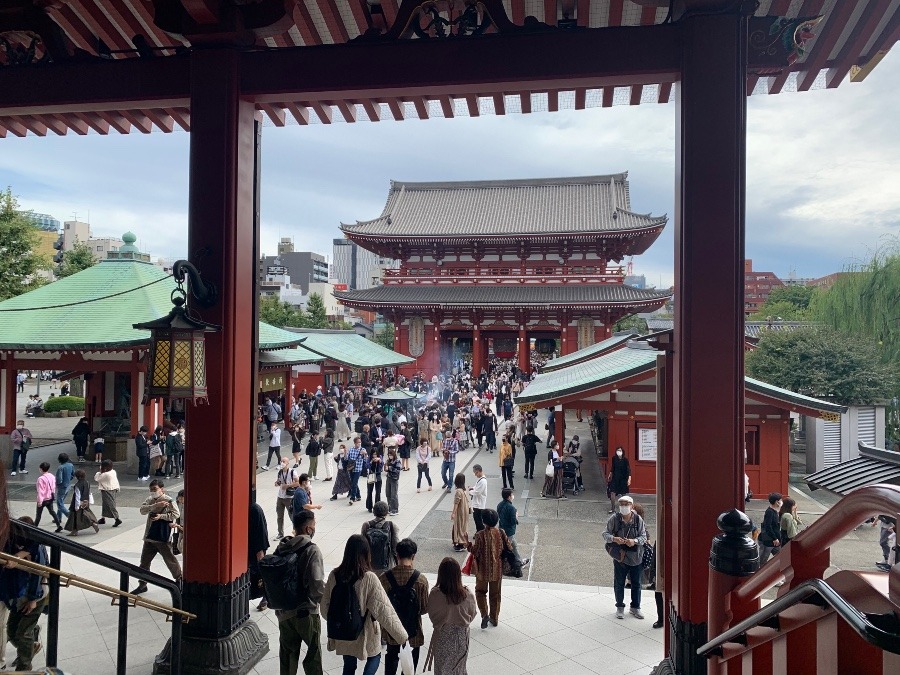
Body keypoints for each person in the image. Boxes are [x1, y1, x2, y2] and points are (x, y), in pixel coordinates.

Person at [320, 534, 408, 675]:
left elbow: (325, 609)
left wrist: (341, 619)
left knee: (348, 663)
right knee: (375, 657)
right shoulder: (369, 578)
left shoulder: (334, 575)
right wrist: (402, 636)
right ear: (366, 553)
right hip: (365, 632)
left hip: (343, 631)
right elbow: (385, 610)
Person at [276, 510, 326, 675]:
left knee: (287, 655)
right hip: (306, 612)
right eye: (314, 525)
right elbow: (317, 585)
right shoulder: (312, 550)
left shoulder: (282, 548)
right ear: (308, 529)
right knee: (313, 654)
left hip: (284, 613)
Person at [0, 518, 49, 671]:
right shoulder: (13, 544)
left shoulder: (37, 547)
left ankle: (24, 666)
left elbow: (38, 573)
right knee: (12, 631)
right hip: (19, 594)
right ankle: (32, 641)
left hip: (36, 595)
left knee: (22, 634)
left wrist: (33, 599)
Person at [380, 538, 429, 675]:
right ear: (413, 556)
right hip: (413, 632)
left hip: (392, 630)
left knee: (391, 658)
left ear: (397, 555)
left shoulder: (384, 578)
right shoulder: (421, 580)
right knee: (410, 664)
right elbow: (424, 608)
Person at [426, 557, 478, 675]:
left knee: (442, 669)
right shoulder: (467, 594)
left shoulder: (435, 594)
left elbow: (432, 615)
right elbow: (472, 613)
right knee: (459, 669)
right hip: (461, 637)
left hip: (442, 636)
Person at [132, 480, 182, 594]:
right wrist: (155, 505)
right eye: (151, 490)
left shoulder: (169, 500)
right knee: (144, 562)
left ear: (162, 489)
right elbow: (142, 510)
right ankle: (142, 584)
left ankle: (179, 580)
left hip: (162, 537)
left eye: (155, 489)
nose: (153, 492)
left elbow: (176, 514)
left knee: (170, 560)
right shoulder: (149, 500)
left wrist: (161, 516)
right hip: (149, 536)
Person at [602, 495, 647, 620]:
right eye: (621, 505)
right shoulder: (614, 519)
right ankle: (620, 607)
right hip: (620, 556)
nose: (624, 507)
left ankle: (635, 607)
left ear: (632, 506)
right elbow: (605, 534)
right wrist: (614, 539)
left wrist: (634, 541)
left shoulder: (638, 520)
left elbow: (644, 536)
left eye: (626, 504)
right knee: (619, 582)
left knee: (637, 583)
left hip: (636, 556)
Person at [468, 508, 512, 628]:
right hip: (497, 570)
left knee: (480, 592)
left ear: (483, 521)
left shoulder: (480, 535)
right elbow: (509, 547)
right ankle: (494, 618)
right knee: (496, 594)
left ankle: (484, 614)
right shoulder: (501, 532)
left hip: (482, 570)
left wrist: (468, 545)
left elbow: (475, 552)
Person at [361, 501, 398, 575]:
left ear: (374, 512)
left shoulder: (366, 525)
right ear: (387, 513)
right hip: (386, 565)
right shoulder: (391, 525)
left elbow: (362, 545)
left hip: (370, 564)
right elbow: (395, 546)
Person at [497, 488, 529, 568]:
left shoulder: (500, 505)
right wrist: (516, 516)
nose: (513, 496)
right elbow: (513, 521)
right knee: (507, 547)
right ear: (509, 497)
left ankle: (519, 561)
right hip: (509, 531)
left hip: (501, 528)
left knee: (513, 545)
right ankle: (514, 563)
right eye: (512, 494)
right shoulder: (511, 508)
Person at [63, 468, 100, 536]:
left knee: (75, 517)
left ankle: (75, 530)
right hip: (86, 501)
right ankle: (92, 523)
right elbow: (89, 492)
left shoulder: (77, 485)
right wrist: (90, 501)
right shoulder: (87, 482)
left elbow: (77, 496)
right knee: (85, 514)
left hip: (79, 502)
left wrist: (77, 506)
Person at [250, 501, 271, 611]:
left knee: (259, 574)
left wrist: (260, 553)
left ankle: (266, 596)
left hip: (255, 549)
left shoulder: (254, 510)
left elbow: (260, 533)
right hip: (247, 549)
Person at [275, 457, 301, 539]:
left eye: (284, 461)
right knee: (279, 516)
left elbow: (298, 483)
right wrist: (277, 483)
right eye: (281, 461)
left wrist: (288, 485)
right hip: (280, 496)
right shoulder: (280, 472)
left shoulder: (292, 472)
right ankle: (280, 533)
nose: (282, 463)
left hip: (289, 497)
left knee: (291, 515)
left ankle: (296, 532)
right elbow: (279, 481)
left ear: (287, 463)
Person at [94, 459, 122, 527]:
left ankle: (117, 518)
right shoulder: (113, 471)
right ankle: (103, 518)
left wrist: (99, 472)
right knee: (105, 504)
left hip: (107, 490)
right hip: (113, 489)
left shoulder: (106, 474)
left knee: (110, 504)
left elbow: (96, 478)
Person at [34, 462, 61, 530]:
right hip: (50, 497)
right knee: (52, 511)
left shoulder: (40, 479)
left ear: (41, 469)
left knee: (38, 515)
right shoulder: (52, 476)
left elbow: (40, 491)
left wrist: (40, 501)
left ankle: (35, 527)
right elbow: (53, 486)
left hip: (43, 499)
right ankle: (58, 525)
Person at [758, 492, 783, 564]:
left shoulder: (776, 511)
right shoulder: (770, 512)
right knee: (762, 560)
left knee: (781, 558)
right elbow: (768, 526)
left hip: (775, 540)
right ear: (776, 502)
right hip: (768, 540)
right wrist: (774, 538)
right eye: (780, 500)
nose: (781, 501)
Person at [607, 446, 631, 513]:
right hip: (615, 477)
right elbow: (613, 467)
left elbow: (628, 469)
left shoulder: (625, 460)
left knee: (623, 494)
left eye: (620, 450)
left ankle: (626, 508)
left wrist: (629, 478)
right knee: (612, 492)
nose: (619, 452)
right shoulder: (614, 458)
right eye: (618, 450)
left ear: (623, 452)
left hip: (623, 478)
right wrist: (610, 474)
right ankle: (613, 508)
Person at [450, 473, 471, 552]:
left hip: (460, 511)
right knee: (463, 526)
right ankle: (463, 542)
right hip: (465, 510)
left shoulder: (458, 491)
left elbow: (456, 503)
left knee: (459, 526)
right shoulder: (464, 490)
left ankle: (461, 543)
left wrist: (453, 513)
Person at [55, 452, 74, 520]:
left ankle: (68, 515)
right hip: (68, 485)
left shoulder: (60, 467)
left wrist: (56, 484)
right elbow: (72, 475)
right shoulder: (71, 465)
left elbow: (59, 479)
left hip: (62, 487)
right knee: (61, 502)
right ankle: (58, 517)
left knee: (60, 504)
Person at [345, 436, 365, 504]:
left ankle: (352, 498)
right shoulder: (351, 449)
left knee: (354, 483)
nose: (359, 444)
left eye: (360, 442)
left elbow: (365, 459)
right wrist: (345, 453)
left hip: (358, 469)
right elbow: (347, 458)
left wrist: (364, 454)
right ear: (355, 443)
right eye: (357, 442)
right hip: (351, 468)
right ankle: (358, 496)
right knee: (354, 483)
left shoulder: (362, 449)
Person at [469, 465, 487, 532]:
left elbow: (478, 492)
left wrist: (470, 492)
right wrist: (473, 488)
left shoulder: (483, 481)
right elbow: (477, 488)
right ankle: (479, 532)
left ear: (479, 471)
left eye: (476, 473)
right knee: (477, 520)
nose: (475, 475)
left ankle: (480, 533)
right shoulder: (481, 480)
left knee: (478, 520)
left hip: (479, 504)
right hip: (477, 503)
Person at [384, 447, 402, 516]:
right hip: (388, 478)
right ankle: (390, 508)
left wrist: (390, 468)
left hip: (394, 479)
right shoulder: (388, 461)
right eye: (389, 455)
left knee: (393, 494)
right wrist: (386, 468)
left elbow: (398, 470)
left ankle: (395, 509)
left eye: (391, 455)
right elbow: (386, 469)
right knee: (388, 493)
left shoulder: (397, 461)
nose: (390, 456)